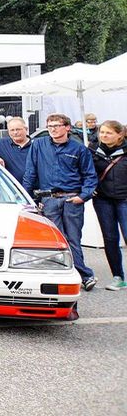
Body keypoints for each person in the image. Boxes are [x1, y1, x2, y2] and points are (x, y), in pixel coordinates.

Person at [22, 113, 98, 290]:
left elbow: (90, 176)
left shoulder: (79, 149)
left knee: (73, 238)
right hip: (48, 199)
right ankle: (66, 275)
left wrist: (83, 196)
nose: (53, 129)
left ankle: (84, 275)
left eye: (57, 125)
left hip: (71, 199)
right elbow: (30, 172)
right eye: (50, 126)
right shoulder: (38, 145)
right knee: (55, 240)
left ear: (67, 128)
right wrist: (27, 198)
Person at [91, 120, 127, 291]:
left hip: (125, 199)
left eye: (108, 133)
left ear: (120, 134)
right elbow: (85, 172)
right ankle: (118, 276)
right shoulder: (92, 149)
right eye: (102, 132)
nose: (104, 136)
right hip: (103, 199)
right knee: (110, 239)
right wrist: (90, 188)